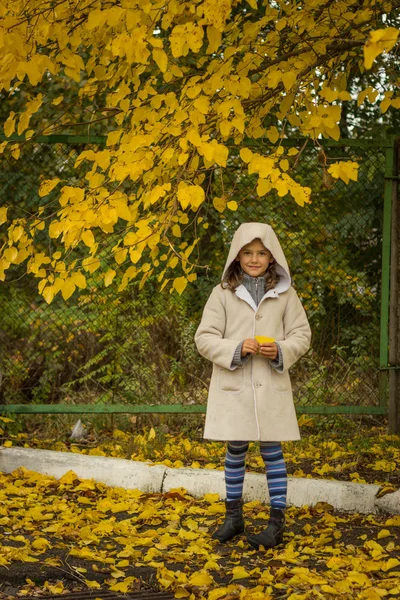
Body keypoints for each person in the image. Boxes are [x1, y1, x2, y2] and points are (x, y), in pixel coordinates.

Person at [194, 222, 311, 549]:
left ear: (272, 257)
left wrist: (281, 349)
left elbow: (302, 335)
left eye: (261, 253)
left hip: (270, 384)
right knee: (235, 449)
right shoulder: (222, 294)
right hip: (234, 386)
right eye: (248, 252)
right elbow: (204, 338)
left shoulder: (287, 295)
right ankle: (234, 518)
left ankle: (277, 523)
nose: (255, 259)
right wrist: (235, 348)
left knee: (273, 451)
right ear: (237, 255)